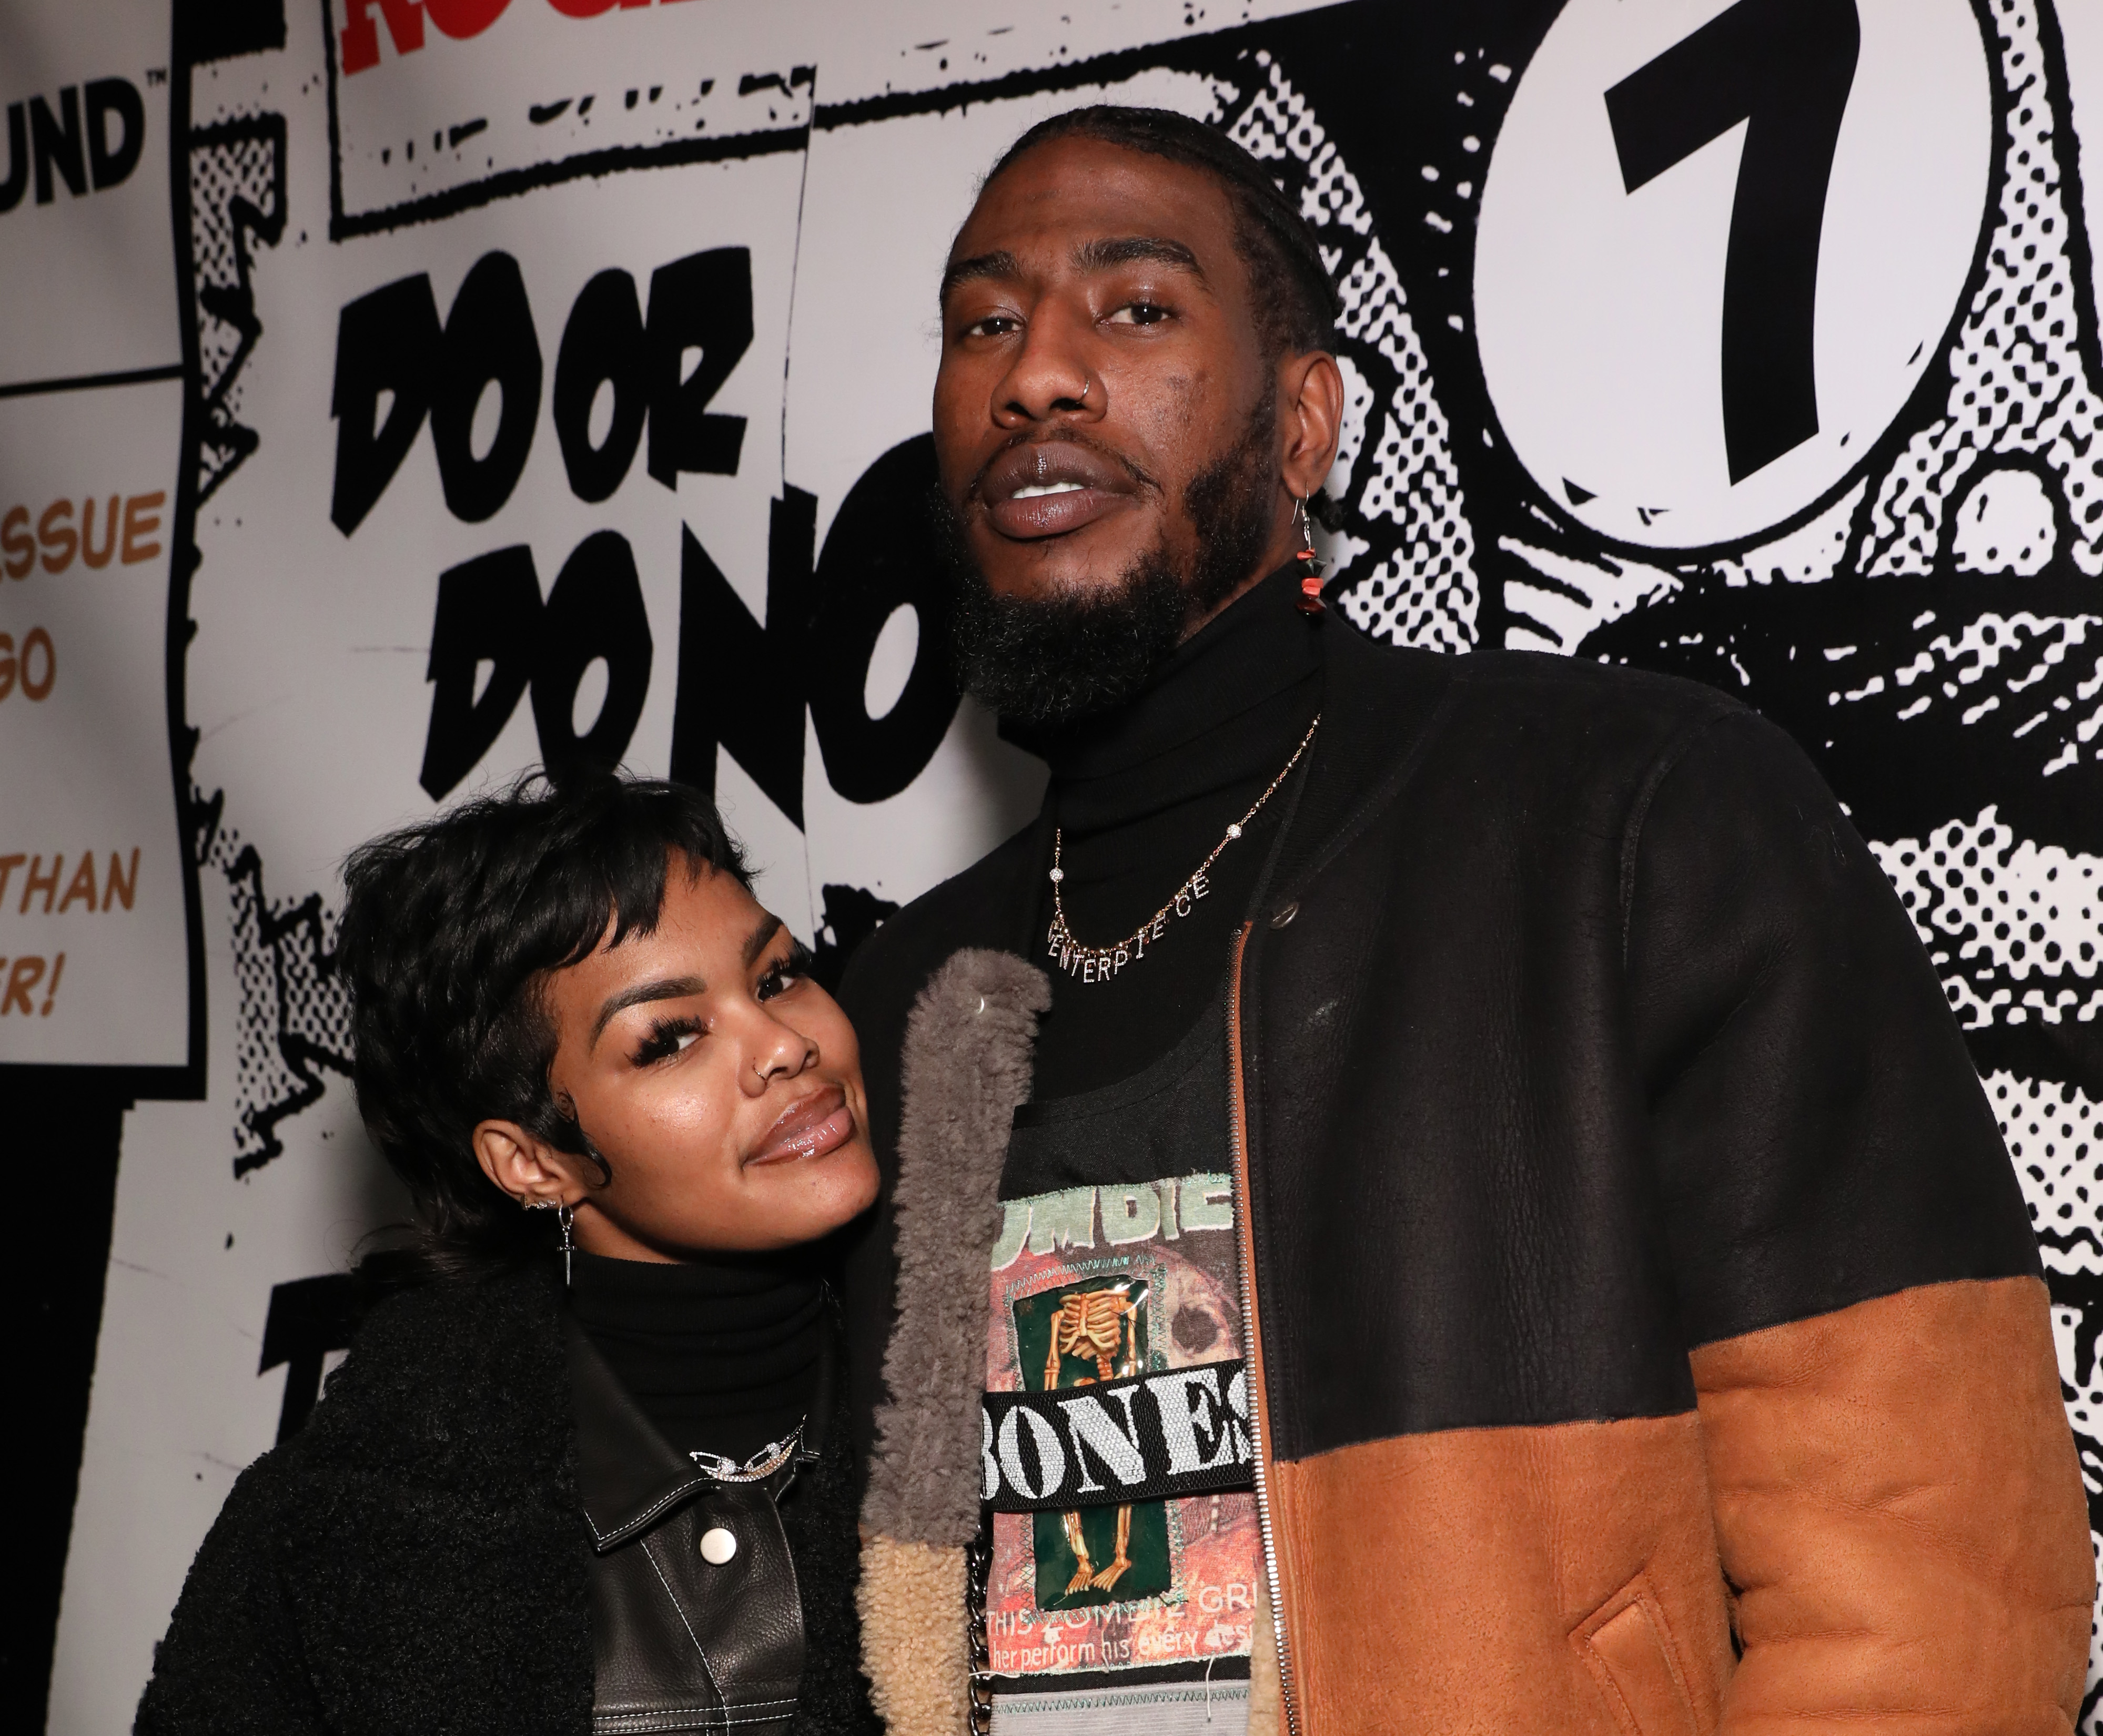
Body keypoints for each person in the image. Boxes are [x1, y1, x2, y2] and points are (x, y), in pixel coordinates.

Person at [837, 105, 2094, 1735]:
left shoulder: (1633, 817)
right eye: (981, 323)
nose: (1034, 375)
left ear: (1301, 426)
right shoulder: (901, 1001)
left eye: (1134, 306)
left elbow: (1927, 1591)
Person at [137, 771, 883, 1736]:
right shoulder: (354, 1526)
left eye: (777, 974)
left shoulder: (1008, 1402)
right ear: (532, 1162)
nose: (783, 1044)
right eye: (668, 1039)